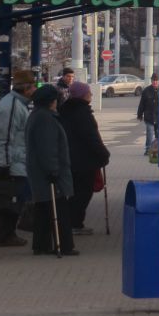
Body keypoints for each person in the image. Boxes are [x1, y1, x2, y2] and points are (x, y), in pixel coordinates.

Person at [0, 70, 38, 247]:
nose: (35, 91)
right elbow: (5, 138)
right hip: (11, 161)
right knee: (13, 198)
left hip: (15, 159)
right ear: (26, 89)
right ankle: (6, 235)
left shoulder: (16, 103)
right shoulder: (12, 106)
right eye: (33, 87)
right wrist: (4, 165)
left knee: (14, 198)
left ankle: (8, 233)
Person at [25, 84, 78, 256]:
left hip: (40, 172)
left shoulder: (38, 116)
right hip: (48, 174)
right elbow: (47, 148)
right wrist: (53, 170)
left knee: (43, 209)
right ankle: (63, 245)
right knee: (59, 209)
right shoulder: (45, 119)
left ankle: (41, 245)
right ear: (51, 101)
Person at [59, 80, 110, 235]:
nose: (91, 95)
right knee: (83, 193)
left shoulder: (64, 110)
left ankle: (71, 223)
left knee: (75, 192)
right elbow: (91, 137)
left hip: (70, 158)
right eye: (89, 92)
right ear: (82, 95)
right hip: (84, 160)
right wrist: (103, 154)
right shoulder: (82, 113)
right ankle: (74, 223)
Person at [136, 73, 159, 155]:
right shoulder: (146, 91)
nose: (155, 82)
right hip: (149, 117)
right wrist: (139, 114)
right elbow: (142, 104)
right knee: (149, 133)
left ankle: (158, 150)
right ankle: (148, 149)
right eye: (153, 80)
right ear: (151, 81)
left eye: (156, 80)